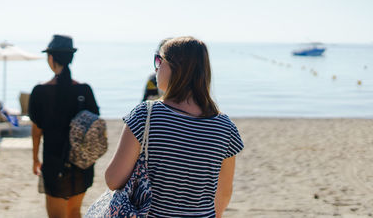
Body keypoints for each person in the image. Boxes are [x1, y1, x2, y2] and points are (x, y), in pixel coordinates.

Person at [105, 36, 244, 217]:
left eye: (158, 60)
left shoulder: (145, 115)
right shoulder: (225, 127)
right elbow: (224, 193)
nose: (156, 68)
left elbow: (113, 180)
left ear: (175, 68)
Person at [29, 35, 99, 218]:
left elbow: (37, 131)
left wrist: (35, 158)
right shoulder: (85, 90)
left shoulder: (40, 91)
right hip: (82, 164)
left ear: (51, 58)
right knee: (75, 213)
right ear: (70, 58)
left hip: (54, 165)